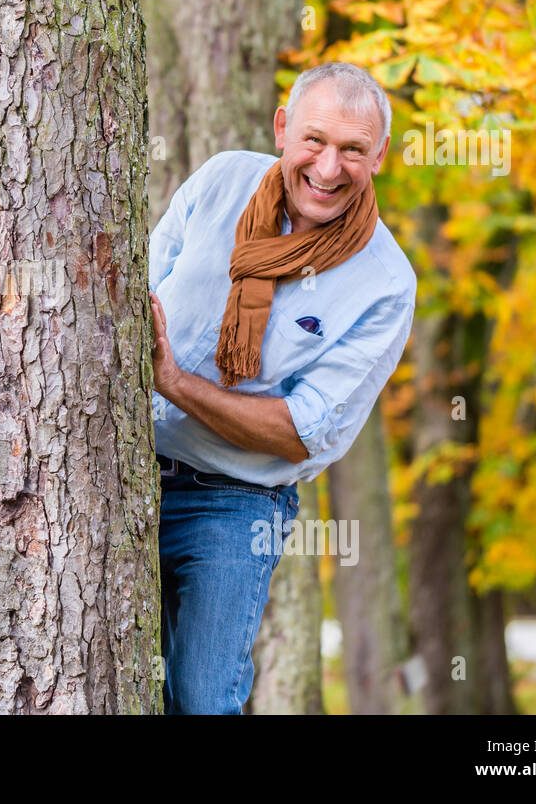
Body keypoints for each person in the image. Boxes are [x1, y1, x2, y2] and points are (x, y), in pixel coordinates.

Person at [148, 61, 417, 714]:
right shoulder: (221, 182)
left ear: (378, 156)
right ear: (281, 129)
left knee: (204, 699)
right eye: (315, 141)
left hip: (234, 505)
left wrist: (175, 384)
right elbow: (141, 296)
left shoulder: (385, 283)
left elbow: (303, 430)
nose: (329, 169)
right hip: (123, 472)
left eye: (353, 150)